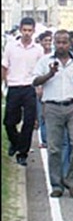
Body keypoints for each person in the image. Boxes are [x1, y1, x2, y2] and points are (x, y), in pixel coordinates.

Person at [32, 30, 73, 198]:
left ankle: (72, 180)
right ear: (54, 43)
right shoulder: (45, 61)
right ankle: (56, 184)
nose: (60, 45)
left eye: (64, 42)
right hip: (52, 107)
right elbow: (35, 81)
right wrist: (50, 73)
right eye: (58, 42)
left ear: (70, 44)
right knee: (54, 148)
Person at [2, 17, 44, 166]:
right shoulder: (11, 46)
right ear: (20, 30)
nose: (27, 33)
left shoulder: (38, 49)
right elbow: (4, 66)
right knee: (9, 121)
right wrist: (4, 84)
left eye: (29, 30)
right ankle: (16, 142)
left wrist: (40, 88)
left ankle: (23, 153)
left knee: (28, 122)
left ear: (33, 31)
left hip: (29, 87)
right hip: (14, 86)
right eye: (24, 30)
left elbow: (41, 70)